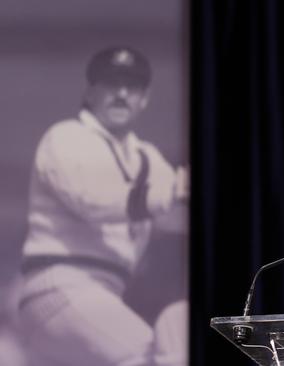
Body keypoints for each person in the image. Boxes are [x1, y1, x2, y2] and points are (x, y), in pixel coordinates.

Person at [16, 46, 188, 366]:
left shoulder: (145, 156)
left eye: (132, 86)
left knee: (176, 337)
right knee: (148, 354)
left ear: (145, 98)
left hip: (105, 294)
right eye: (111, 83)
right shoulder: (67, 137)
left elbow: (175, 212)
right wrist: (173, 191)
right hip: (59, 286)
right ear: (91, 90)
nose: (122, 94)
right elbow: (93, 199)